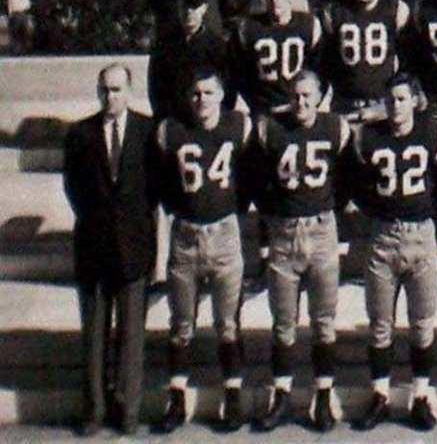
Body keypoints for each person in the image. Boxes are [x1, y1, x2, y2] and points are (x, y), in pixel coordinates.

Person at [250, 69, 350, 432]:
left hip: (322, 230)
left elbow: (346, 177)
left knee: (324, 322)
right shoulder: (272, 129)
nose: (301, 103)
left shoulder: (334, 128)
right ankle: (282, 396)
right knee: (283, 324)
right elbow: (258, 181)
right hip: (284, 233)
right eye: (295, 96)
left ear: (320, 96)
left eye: (308, 96)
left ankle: (323, 396)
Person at [154, 68, 253, 433]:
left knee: (228, 324)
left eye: (209, 93)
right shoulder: (173, 131)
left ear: (221, 95)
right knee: (181, 325)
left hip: (225, 233)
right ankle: (176, 396)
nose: (202, 100)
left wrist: (233, 212)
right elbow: (163, 183)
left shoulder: (237, 126)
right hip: (186, 236)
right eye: (195, 93)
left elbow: (249, 176)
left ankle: (233, 394)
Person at [350, 73, 437, 430]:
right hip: (383, 237)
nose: (395, 107)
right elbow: (357, 184)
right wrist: (378, 210)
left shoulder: (431, 132)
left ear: (416, 101)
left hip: (421, 234)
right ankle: (380, 396)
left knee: (422, 325)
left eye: (402, 99)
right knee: (380, 325)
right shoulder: (371, 137)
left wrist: (426, 210)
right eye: (390, 100)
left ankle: (420, 395)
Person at [63, 64, 157, 437]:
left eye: (117, 90)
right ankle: (94, 409)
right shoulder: (80, 134)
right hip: (94, 247)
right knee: (95, 336)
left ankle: (128, 410)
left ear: (129, 91)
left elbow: (156, 189)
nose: (110, 97)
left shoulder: (147, 132)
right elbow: (73, 186)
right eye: (104, 90)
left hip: (134, 249)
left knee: (132, 337)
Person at [320, 0, 409, 123]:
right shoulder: (336, 11)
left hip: (383, 104)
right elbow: (327, 60)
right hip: (345, 104)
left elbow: (406, 56)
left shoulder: (395, 10)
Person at [234, 0, 323, 118]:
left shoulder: (308, 25)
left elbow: (318, 68)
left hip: (298, 108)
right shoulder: (249, 27)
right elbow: (241, 72)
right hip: (263, 110)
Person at [148, 0, 230, 123]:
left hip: (206, 121)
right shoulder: (164, 45)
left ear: (204, 8)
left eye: (194, 6)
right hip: (174, 121)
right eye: (185, 6)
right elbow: (155, 87)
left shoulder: (216, 45)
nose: (189, 12)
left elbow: (228, 88)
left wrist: (219, 120)